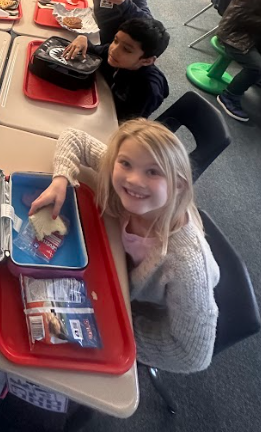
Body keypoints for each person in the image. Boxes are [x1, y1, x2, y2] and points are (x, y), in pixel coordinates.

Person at [29, 120, 219, 374]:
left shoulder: (187, 265)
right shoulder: (119, 172)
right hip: (117, 270)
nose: (133, 180)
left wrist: (114, 330)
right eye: (125, 164)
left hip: (152, 306)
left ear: (179, 185)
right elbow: (75, 138)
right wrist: (61, 179)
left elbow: (191, 355)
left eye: (154, 172)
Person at [63, 17, 170, 121]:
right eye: (116, 40)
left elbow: (128, 125)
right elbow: (93, 51)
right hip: (99, 102)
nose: (114, 49)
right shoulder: (113, 53)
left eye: (126, 50)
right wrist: (83, 39)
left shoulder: (148, 89)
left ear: (147, 61)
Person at [216, 0, 261, 122]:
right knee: (257, 67)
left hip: (253, 32)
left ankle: (255, 80)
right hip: (234, 34)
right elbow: (241, 17)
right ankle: (229, 96)